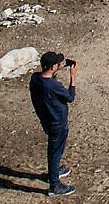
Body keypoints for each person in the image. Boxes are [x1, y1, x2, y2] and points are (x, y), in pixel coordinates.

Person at [29, 51, 77, 196]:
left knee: (55, 150)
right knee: (55, 152)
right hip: (58, 123)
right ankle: (54, 185)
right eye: (57, 64)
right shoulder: (52, 86)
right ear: (52, 67)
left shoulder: (35, 78)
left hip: (47, 120)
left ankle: (54, 172)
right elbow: (70, 97)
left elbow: (46, 76)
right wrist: (73, 76)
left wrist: (57, 68)